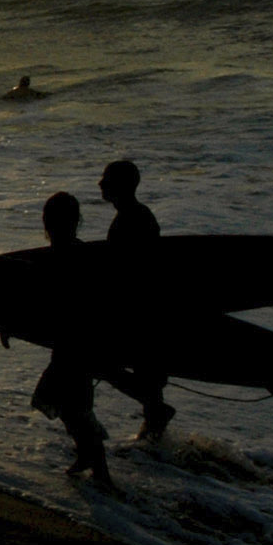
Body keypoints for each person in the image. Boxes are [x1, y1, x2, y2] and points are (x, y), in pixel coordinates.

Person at [29, 192, 112, 485]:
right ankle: (88, 456)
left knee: (71, 405)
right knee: (68, 403)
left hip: (76, 343)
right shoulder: (76, 252)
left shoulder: (66, 255)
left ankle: (101, 472)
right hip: (77, 341)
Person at [99, 159, 174, 440]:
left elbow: (129, 271)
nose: (100, 183)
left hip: (141, 311)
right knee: (150, 381)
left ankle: (157, 422)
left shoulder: (131, 218)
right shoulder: (136, 214)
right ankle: (154, 442)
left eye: (106, 179)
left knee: (106, 366)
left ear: (120, 185)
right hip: (151, 309)